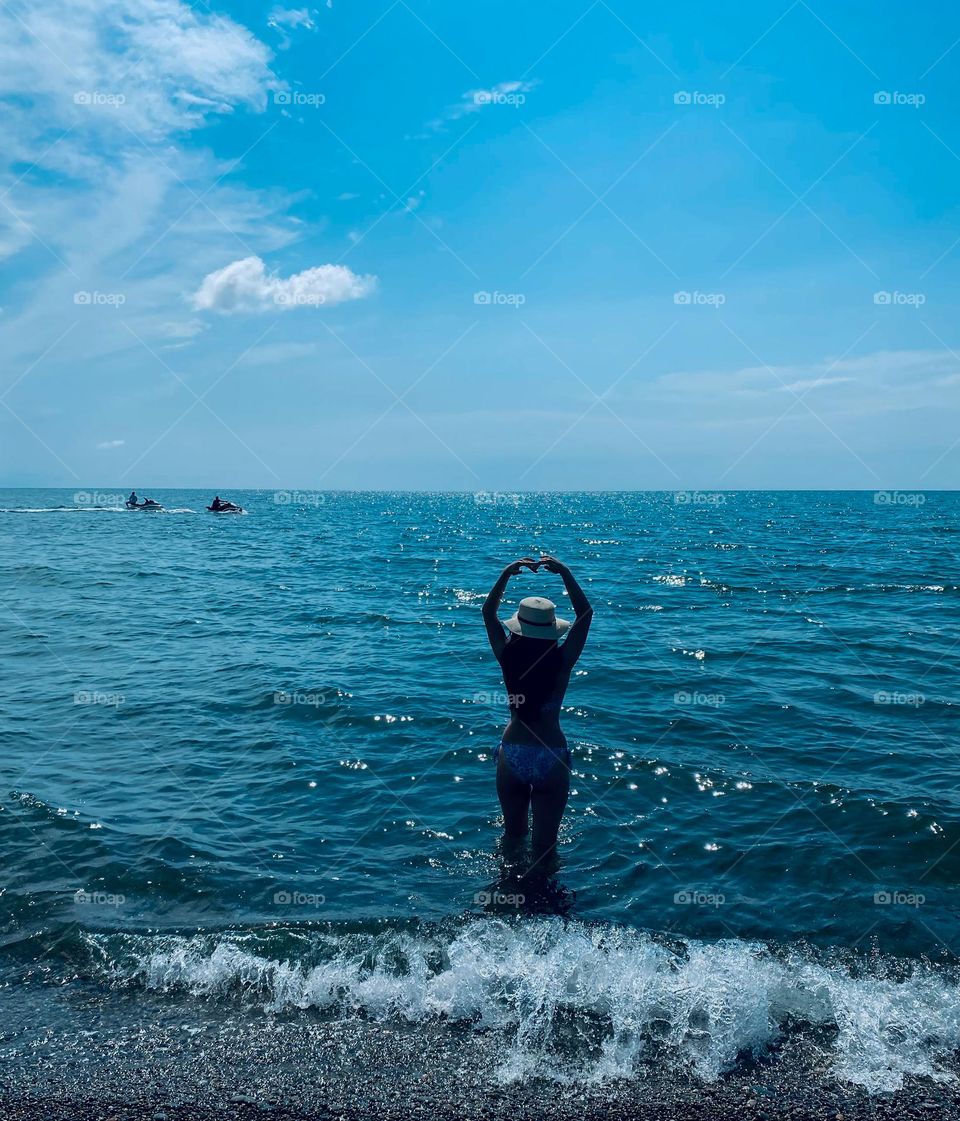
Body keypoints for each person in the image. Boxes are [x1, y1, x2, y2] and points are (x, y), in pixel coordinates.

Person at [482, 554, 593, 863]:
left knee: (512, 837)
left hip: (513, 751)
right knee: (546, 848)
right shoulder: (562, 661)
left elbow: (488, 613)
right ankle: (545, 905)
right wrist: (566, 572)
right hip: (550, 754)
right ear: (551, 629)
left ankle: (505, 897)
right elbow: (585, 614)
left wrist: (506, 573)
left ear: (519, 627)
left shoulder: (507, 655)